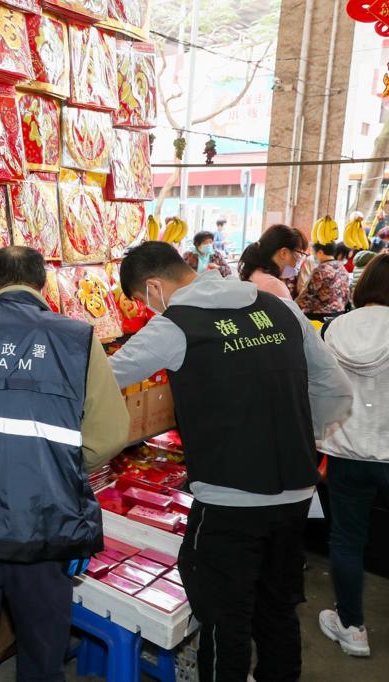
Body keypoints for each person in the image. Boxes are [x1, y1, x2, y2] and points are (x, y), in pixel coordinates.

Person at [109, 242, 352, 682]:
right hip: (296, 494)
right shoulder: (279, 308)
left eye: (144, 301)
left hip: (229, 500)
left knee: (225, 619)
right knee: (278, 608)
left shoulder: (174, 325)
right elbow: (334, 387)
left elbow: (105, 379)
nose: (150, 310)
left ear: (153, 287)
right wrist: (294, 436)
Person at [0, 246, 129, 682]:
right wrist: (56, 461)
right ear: (42, 283)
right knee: (42, 657)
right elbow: (110, 433)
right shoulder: (77, 337)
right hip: (45, 524)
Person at [317, 254, 389, 658]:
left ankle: (351, 628)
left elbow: (321, 386)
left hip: (347, 450)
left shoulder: (335, 328)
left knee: (347, 540)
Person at [238, 224, 308, 299]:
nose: (300, 260)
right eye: (300, 254)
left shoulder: (254, 274)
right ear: (284, 253)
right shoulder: (274, 286)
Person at [296, 241, 351, 317]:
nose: (313, 255)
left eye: (313, 252)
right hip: (339, 312)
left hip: (319, 315)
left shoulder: (321, 270)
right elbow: (346, 293)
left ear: (320, 252)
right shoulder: (342, 267)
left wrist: (294, 308)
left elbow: (307, 295)